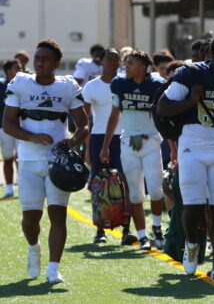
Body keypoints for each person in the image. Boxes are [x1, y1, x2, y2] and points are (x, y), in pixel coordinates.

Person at [157, 33, 214, 283]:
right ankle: (191, 244)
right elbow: (163, 108)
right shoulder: (191, 74)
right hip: (193, 145)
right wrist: (190, 101)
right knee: (193, 207)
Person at [3, 39, 89, 283]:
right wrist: (31, 136)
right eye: (37, 58)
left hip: (57, 161)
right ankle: (33, 248)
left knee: (57, 215)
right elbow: (7, 123)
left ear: (56, 64)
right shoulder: (20, 83)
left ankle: (53, 268)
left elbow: (83, 124)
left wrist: (73, 142)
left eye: (45, 59)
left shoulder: (67, 86)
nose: (39, 63)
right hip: (29, 160)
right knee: (30, 220)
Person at [100, 50, 166, 251]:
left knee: (155, 190)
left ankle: (156, 227)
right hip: (128, 142)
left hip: (151, 140)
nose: (126, 66)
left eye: (131, 63)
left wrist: (172, 145)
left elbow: (164, 117)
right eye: (125, 62)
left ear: (143, 67)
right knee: (136, 195)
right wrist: (105, 146)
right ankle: (142, 235)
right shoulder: (120, 84)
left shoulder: (156, 85)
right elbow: (114, 116)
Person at [82, 48, 137, 245]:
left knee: (126, 183)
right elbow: (84, 119)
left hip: (123, 137)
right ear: (101, 62)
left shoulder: (125, 83)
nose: (113, 63)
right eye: (109, 59)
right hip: (98, 138)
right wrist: (87, 148)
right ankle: (100, 230)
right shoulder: (91, 86)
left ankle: (126, 229)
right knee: (99, 184)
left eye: (116, 60)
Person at [1, 59, 20, 198]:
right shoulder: (1, 85)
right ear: (8, 71)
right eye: (17, 68)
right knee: (8, 158)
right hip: (4, 128)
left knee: (23, 158)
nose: (20, 69)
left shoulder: (25, 84)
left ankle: (22, 183)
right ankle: (9, 187)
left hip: (22, 128)